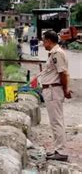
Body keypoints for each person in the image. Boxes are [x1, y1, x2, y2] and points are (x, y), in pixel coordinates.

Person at [39, 30, 72, 161]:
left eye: (44, 41)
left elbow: (63, 73)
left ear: (48, 40)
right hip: (51, 89)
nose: (43, 44)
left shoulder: (57, 54)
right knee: (55, 121)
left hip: (53, 89)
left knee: (56, 121)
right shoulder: (54, 53)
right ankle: (58, 149)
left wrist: (65, 89)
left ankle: (61, 151)